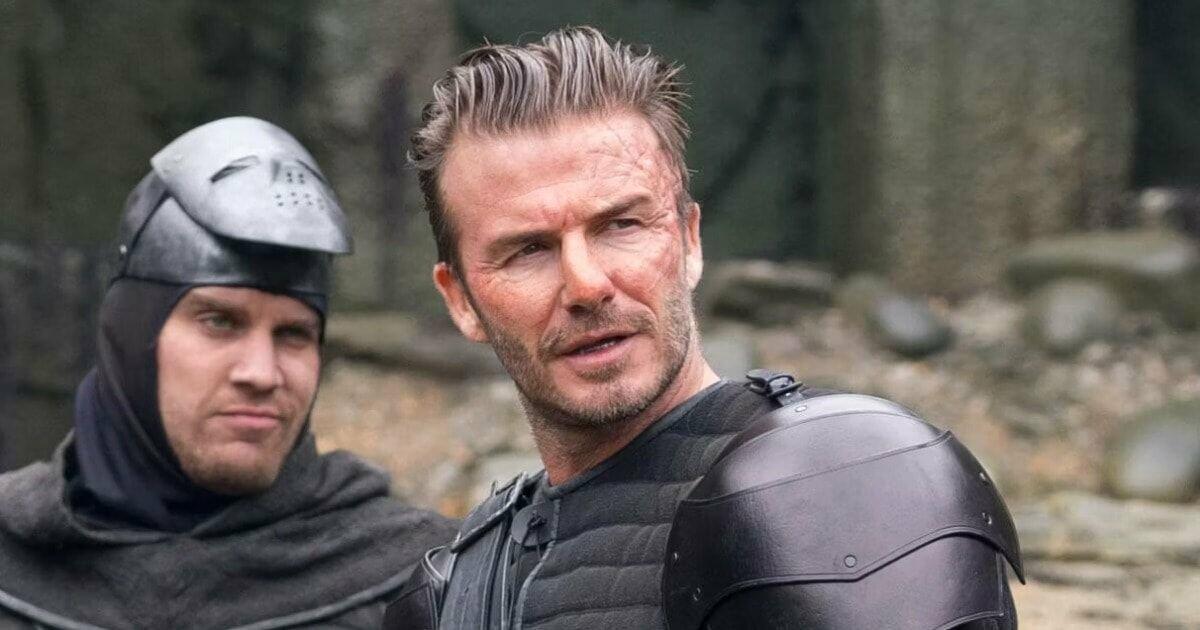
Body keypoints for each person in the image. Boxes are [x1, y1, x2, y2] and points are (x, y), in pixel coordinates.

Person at [385, 26, 1022, 630]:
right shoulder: (451, 594)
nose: (586, 285)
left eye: (622, 225)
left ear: (689, 241)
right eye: (528, 250)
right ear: (460, 299)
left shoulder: (851, 482)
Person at [0, 117, 456, 629]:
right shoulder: (12, 563)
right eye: (219, 322)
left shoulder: (425, 582)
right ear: (132, 339)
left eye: (293, 333)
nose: (262, 373)